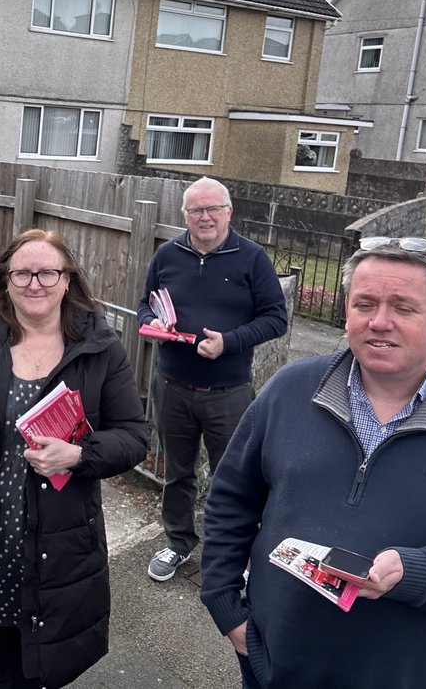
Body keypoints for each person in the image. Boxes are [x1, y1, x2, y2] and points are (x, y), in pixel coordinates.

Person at [199, 236, 426, 689]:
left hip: (402, 675)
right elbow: (230, 501)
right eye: (365, 304)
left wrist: (418, 572)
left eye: (403, 307)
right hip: (272, 662)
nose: (379, 322)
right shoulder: (289, 391)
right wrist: (225, 605)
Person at [0, 228, 147, 688]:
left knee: (42, 671)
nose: (34, 284)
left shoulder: (100, 350)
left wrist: (80, 454)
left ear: (66, 280)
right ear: (5, 281)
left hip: (61, 559)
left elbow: (135, 437)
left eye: (46, 273)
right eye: (22, 273)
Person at [136, 177, 288, 581]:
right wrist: (152, 324)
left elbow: (276, 318)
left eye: (212, 209)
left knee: (234, 479)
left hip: (228, 392)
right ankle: (178, 544)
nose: (204, 217)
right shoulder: (167, 254)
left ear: (228, 212)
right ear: (184, 214)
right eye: (196, 210)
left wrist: (231, 342)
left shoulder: (252, 258)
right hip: (171, 387)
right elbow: (144, 305)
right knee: (178, 474)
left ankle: (230, 557)